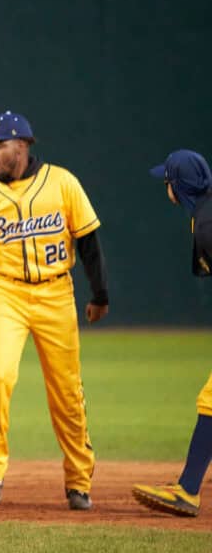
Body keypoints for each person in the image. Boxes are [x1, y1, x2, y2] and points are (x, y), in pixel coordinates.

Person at [0, 111, 109, 511]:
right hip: (5, 293)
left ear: (21, 146)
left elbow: (89, 241)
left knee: (66, 392)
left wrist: (100, 294)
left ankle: (78, 481)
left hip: (56, 293)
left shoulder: (62, 183)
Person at [132, 149, 212, 518]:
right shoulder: (204, 216)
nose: (165, 185)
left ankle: (188, 491)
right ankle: (189, 485)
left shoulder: (207, 224)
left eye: (167, 180)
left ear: (176, 187)